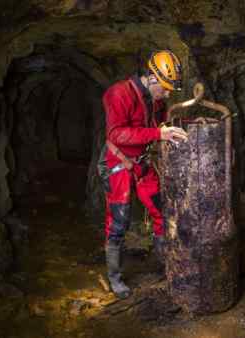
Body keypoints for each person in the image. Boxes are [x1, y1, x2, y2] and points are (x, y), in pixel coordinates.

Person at [98, 50, 188, 299]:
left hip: (142, 162)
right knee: (119, 221)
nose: (168, 94)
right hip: (118, 161)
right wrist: (158, 135)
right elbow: (116, 134)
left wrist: (166, 131)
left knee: (162, 209)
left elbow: (157, 126)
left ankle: (165, 264)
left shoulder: (155, 99)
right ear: (151, 77)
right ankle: (115, 278)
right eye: (166, 88)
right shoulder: (119, 94)